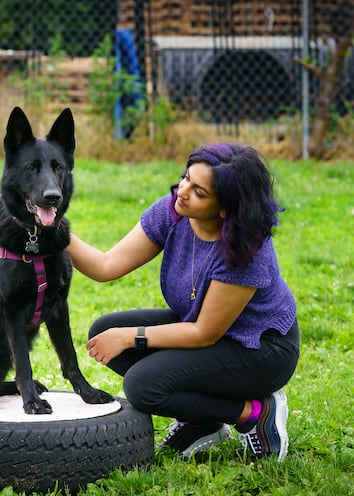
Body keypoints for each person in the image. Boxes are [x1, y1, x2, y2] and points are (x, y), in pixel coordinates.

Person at [66, 142, 299, 460]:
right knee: (107, 329)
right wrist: (54, 230)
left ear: (225, 209)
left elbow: (205, 333)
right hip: (205, 332)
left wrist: (130, 337)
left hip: (261, 349)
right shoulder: (172, 212)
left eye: (199, 191)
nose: (183, 191)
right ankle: (203, 423)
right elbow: (106, 266)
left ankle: (254, 412)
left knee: (143, 385)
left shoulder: (245, 249)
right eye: (186, 177)